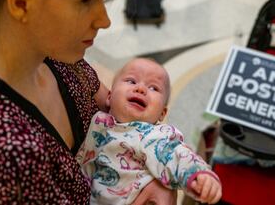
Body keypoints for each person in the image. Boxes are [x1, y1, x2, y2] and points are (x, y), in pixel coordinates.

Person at [0, 0, 176, 204]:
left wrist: (161, 176)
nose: (104, 20)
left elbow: (125, 115)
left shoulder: (55, 54)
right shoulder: (4, 152)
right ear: (22, 3)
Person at [76, 58, 222, 205]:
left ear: (162, 114)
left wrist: (197, 174)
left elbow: (176, 154)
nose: (141, 89)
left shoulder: (152, 135)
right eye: (131, 81)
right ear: (109, 96)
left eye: (154, 88)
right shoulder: (97, 119)